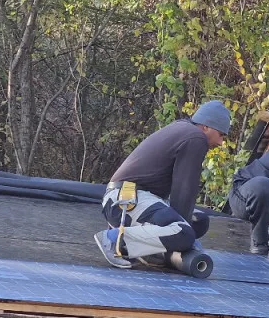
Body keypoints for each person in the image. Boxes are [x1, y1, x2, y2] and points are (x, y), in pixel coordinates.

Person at [94, 100, 230, 268]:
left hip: (127, 199)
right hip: (126, 200)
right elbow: (184, 190)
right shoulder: (196, 138)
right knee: (184, 232)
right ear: (206, 127)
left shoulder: (183, 129)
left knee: (199, 221)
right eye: (221, 135)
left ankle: (147, 251)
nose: (221, 142)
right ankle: (114, 239)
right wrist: (184, 238)